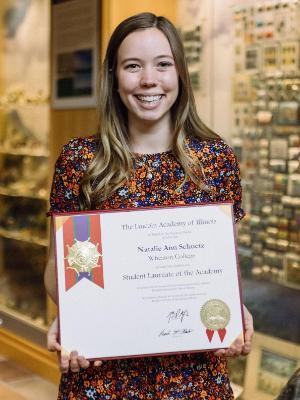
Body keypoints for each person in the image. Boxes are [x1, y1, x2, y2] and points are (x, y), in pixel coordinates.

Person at [44, 12, 254, 400]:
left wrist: (235, 310)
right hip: (102, 376)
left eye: (163, 64)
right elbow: (58, 273)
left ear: (180, 74)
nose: (148, 80)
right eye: (132, 66)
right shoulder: (81, 162)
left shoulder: (215, 159)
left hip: (193, 378)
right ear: (113, 77)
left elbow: (224, 269)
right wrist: (75, 314)